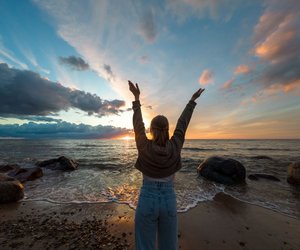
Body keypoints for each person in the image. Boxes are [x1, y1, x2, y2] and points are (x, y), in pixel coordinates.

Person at [128, 80, 205, 250]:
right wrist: (192, 101)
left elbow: (137, 125)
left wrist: (136, 98)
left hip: (147, 199)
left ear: (151, 130)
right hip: (169, 201)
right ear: (167, 129)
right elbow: (182, 124)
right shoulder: (175, 145)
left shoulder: (144, 146)